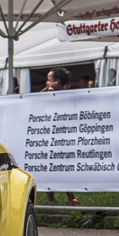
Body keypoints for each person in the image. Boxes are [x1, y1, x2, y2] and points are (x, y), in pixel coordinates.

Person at [39, 68, 79, 206]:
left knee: (62, 168)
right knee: (48, 167)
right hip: (49, 136)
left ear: (58, 82)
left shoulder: (66, 97)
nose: (47, 82)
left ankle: (71, 197)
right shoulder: (48, 95)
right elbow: (35, 100)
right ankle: (50, 198)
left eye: (50, 80)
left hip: (62, 137)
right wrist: (46, 90)